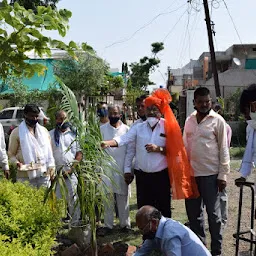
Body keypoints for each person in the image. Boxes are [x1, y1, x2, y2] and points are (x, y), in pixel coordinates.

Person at [102, 89, 198, 218]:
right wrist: (108, 143)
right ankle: (147, 237)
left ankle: (163, 235)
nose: (151, 112)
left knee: (163, 209)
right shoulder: (138, 127)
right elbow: (125, 139)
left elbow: (177, 152)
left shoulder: (168, 127)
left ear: (161, 111)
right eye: (148, 109)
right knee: (144, 210)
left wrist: (159, 149)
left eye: (155, 109)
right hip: (143, 177)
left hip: (161, 177)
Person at [183, 87, 230, 256]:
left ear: (211, 102)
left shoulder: (218, 121)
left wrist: (223, 175)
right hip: (192, 176)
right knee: (194, 216)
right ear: (194, 102)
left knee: (214, 217)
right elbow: (184, 147)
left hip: (211, 176)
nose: (204, 105)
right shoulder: (189, 121)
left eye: (207, 101)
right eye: (200, 102)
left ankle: (216, 251)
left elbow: (224, 148)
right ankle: (200, 250)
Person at [98, 105, 132, 236]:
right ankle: (108, 225)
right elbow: (98, 150)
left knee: (123, 197)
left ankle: (125, 224)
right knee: (108, 198)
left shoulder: (127, 129)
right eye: (111, 113)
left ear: (121, 114)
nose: (113, 116)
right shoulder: (101, 129)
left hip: (122, 167)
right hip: (106, 168)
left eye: (116, 113)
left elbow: (130, 152)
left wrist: (129, 170)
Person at [8, 104, 55, 188]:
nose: (34, 119)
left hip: (44, 174)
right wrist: (17, 163)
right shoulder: (17, 132)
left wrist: (51, 167)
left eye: (36, 116)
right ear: (25, 115)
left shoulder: (44, 131)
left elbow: (50, 152)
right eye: (31, 116)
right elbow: (11, 154)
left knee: (44, 200)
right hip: (25, 175)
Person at [134, 205, 211, 256]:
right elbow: (142, 251)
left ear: (154, 222)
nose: (143, 233)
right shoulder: (157, 229)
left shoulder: (170, 234)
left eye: (143, 229)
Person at [49, 110, 82, 224]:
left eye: (64, 118)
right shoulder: (50, 135)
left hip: (71, 173)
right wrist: (52, 172)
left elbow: (78, 154)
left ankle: (75, 224)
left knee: (73, 199)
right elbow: (48, 154)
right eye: (60, 118)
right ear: (56, 120)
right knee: (56, 201)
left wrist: (71, 169)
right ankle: (55, 225)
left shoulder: (74, 134)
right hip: (56, 174)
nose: (62, 121)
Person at [123, 95, 147, 206]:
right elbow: (130, 150)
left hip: (160, 173)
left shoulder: (162, 124)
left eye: (143, 106)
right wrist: (128, 170)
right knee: (143, 203)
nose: (140, 109)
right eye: (138, 107)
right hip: (141, 172)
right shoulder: (135, 126)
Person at [212, 102, 232, 227]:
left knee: (222, 193)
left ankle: (223, 219)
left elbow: (225, 147)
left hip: (220, 163)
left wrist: (223, 171)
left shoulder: (224, 126)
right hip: (209, 166)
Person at [235, 84, 256, 184]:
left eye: (252, 106)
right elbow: (250, 152)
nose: (247, 113)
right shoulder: (251, 127)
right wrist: (244, 175)